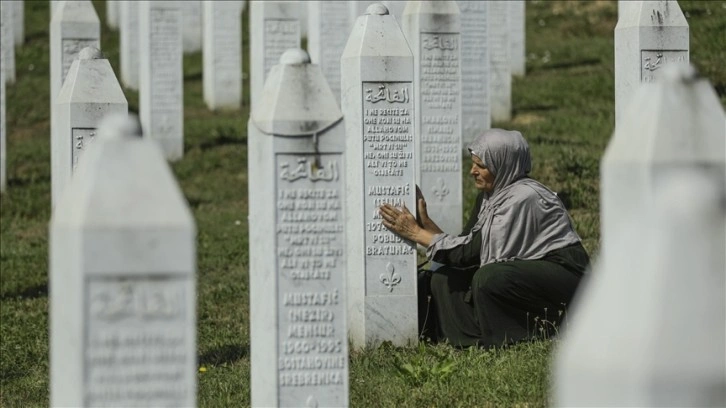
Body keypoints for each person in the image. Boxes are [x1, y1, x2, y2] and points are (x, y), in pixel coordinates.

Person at [379, 129, 590, 348]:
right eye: (473, 164)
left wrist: (416, 233)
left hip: (564, 276)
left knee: (489, 277)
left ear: (502, 164)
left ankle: (532, 332)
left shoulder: (524, 198)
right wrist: (426, 225)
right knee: (444, 276)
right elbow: (465, 246)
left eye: (481, 166)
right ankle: (470, 340)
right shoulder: (491, 197)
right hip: (526, 270)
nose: (473, 171)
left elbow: (471, 252)